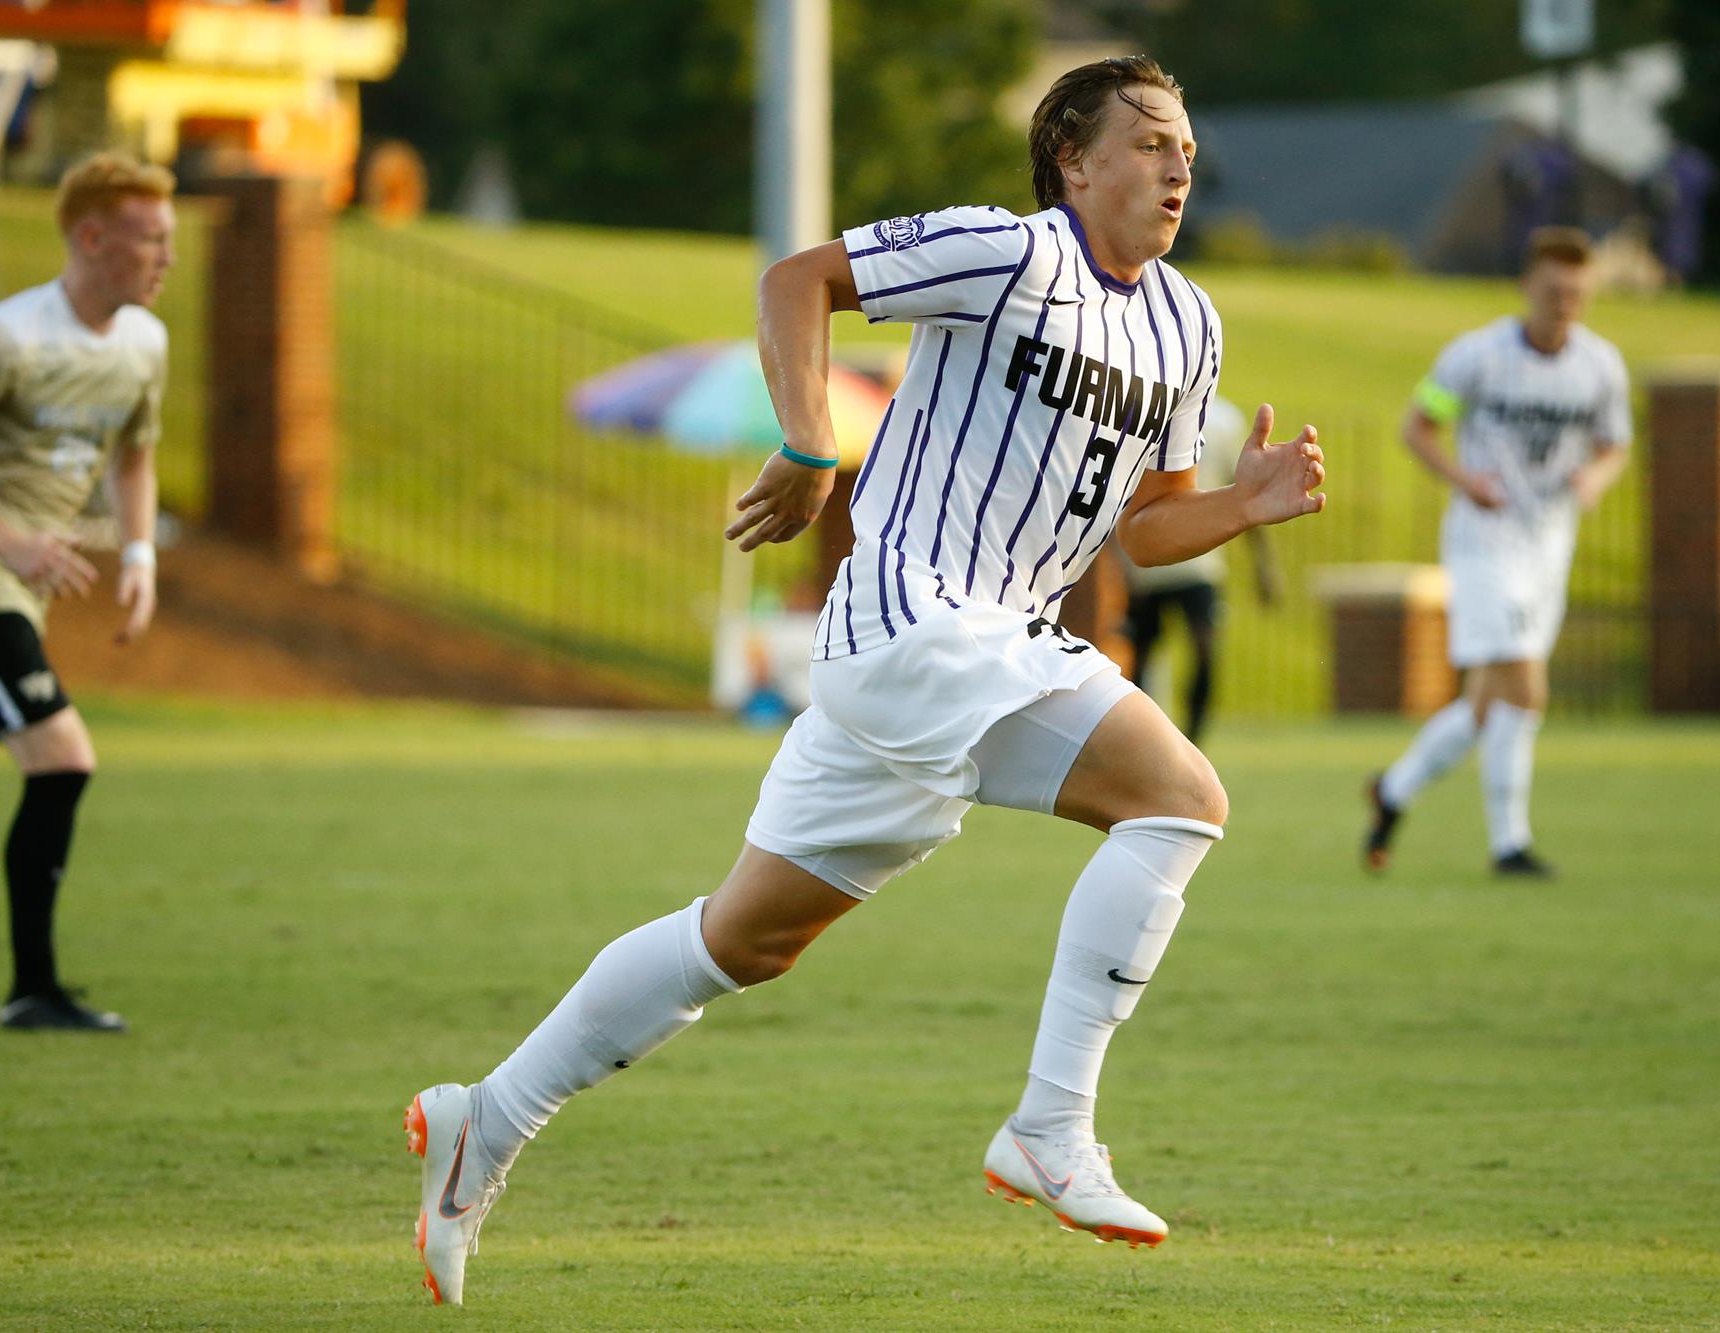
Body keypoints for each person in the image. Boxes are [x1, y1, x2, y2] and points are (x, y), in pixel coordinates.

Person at [404, 56, 1328, 1306]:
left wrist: (1241, 507)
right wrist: (807, 441)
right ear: (1072, 159)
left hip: (959, 657)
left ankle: (486, 1116)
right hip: (918, 623)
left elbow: (1147, 527)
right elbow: (799, 280)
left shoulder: (1187, 322)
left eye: (1188, 151)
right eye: (1152, 140)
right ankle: (1049, 1128)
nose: (1179, 167)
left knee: (742, 939)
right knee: (1180, 798)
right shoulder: (1003, 251)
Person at [1362, 226, 1629, 878]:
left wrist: (1595, 477)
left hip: (1550, 545)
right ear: (1527, 286)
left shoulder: (1600, 366)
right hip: (1485, 541)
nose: (1564, 305)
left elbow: (1615, 443)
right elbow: (1418, 427)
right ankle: (1510, 844)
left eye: (1576, 293)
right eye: (1553, 291)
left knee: (1486, 705)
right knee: (1525, 683)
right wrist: (1465, 480)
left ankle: (1392, 792)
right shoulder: (1477, 356)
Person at [0, 152, 171, 1033]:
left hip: (18, 592)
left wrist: (139, 556)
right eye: (151, 239)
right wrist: (12, 541)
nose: (167, 257)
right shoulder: (6, 339)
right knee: (63, 756)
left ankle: (32, 990)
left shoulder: (145, 344)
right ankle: (35, 989)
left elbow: (135, 455)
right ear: (92, 239)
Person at [1118, 397, 1277, 745]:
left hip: (1200, 565)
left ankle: (1192, 740)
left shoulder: (1224, 420)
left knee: (1205, 650)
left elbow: (1244, 494)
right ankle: (1148, 741)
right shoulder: (1145, 408)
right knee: (1139, 659)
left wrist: (1264, 566)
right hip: (1147, 565)